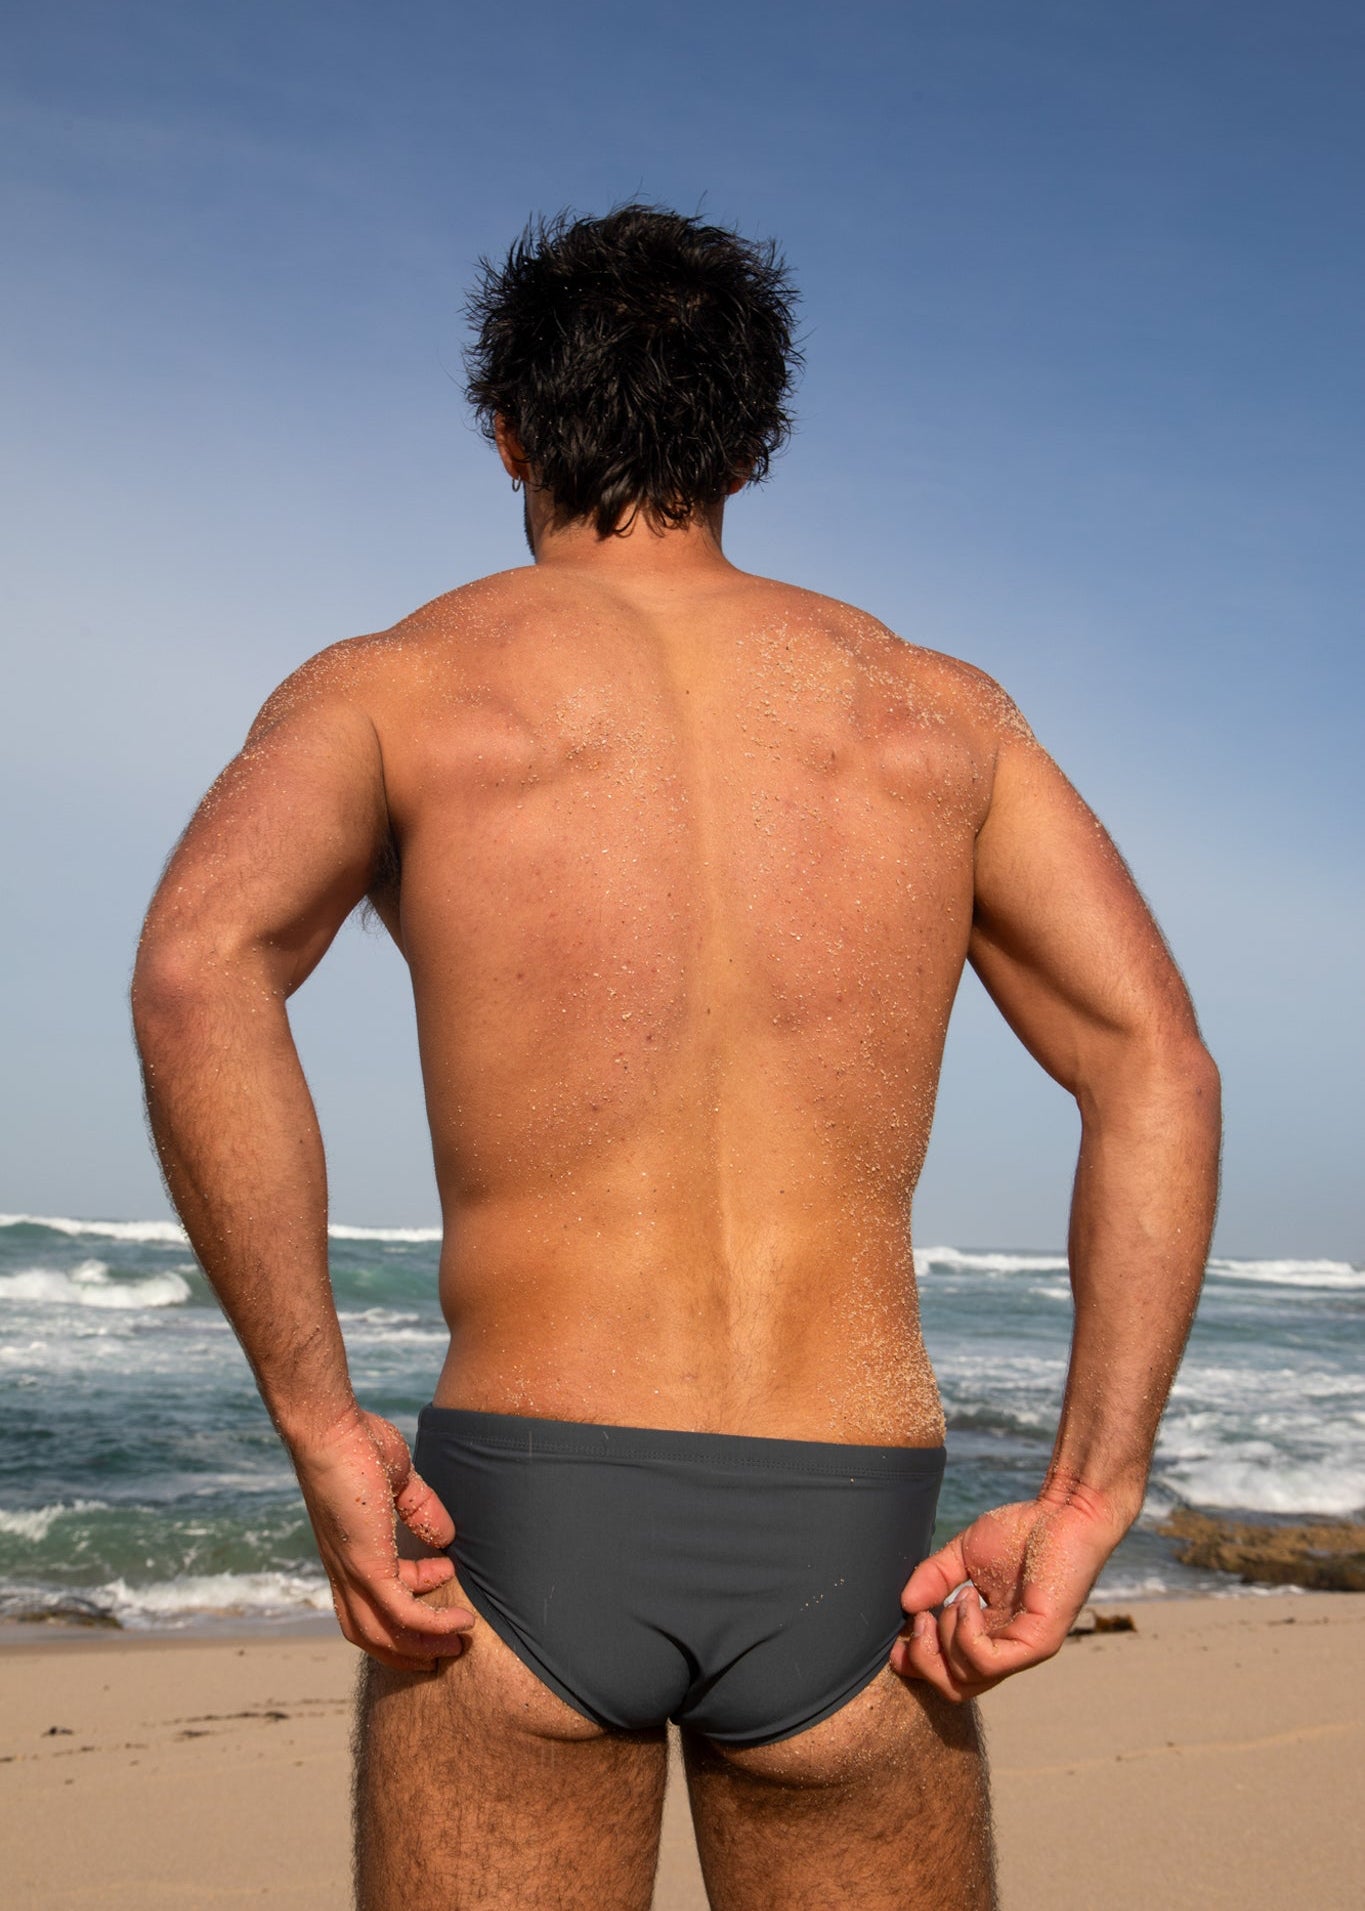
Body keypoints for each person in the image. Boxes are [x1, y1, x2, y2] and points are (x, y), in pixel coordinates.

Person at [131, 204, 1221, 1910]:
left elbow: (201, 969)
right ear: (749, 442)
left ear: (504, 427)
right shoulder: (935, 717)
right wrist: (1090, 1490)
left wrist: (322, 1427)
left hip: (518, 1520)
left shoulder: (399, 685)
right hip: (856, 1544)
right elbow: (1154, 1058)